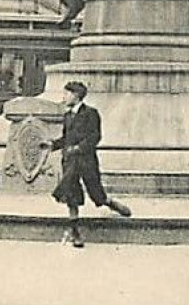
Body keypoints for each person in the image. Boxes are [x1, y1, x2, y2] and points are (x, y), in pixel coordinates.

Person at [44, 81, 131, 247]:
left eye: (66, 94)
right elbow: (66, 138)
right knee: (71, 193)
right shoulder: (68, 116)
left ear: (76, 96)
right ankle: (75, 231)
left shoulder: (91, 113)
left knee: (96, 193)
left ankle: (111, 203)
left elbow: (95, 137)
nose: (63, 97)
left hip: (86, 161)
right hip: (70, 161)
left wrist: (78, 148)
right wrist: (52, 145)